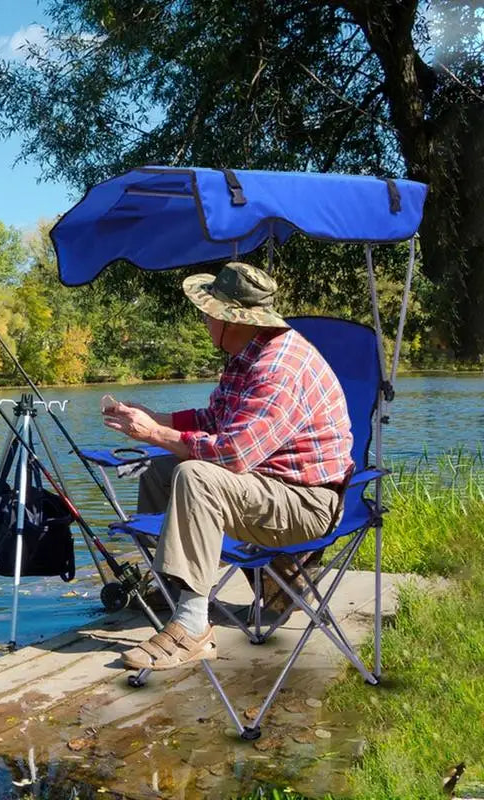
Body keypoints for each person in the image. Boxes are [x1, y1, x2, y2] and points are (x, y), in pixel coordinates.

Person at [102, 262, 353, 670]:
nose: (202, 319)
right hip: (268, 486)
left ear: (228, 320)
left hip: (307, 505)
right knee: (160, 469)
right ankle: (171, 590)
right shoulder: (248, 354)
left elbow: (232, 455)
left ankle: (192, 625)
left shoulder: (278, 368)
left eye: (207, 312)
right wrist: (157, 419)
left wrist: (154, 435)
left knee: (195, 475)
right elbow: (217, 419)